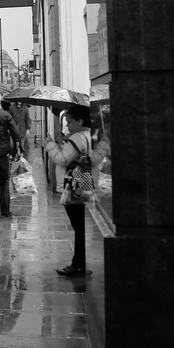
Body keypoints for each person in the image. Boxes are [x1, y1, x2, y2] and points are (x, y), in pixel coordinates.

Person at [45, 104, 104, 276]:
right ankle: (80, 262)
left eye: (70, 121)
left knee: (78, 225)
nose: (68, 125)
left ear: (80, 121)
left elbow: (63, 159)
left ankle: (78, 264)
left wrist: (51, 146)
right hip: (86, 184)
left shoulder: (77, 138)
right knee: (80, 225)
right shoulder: (91, 135)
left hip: (74, 186)